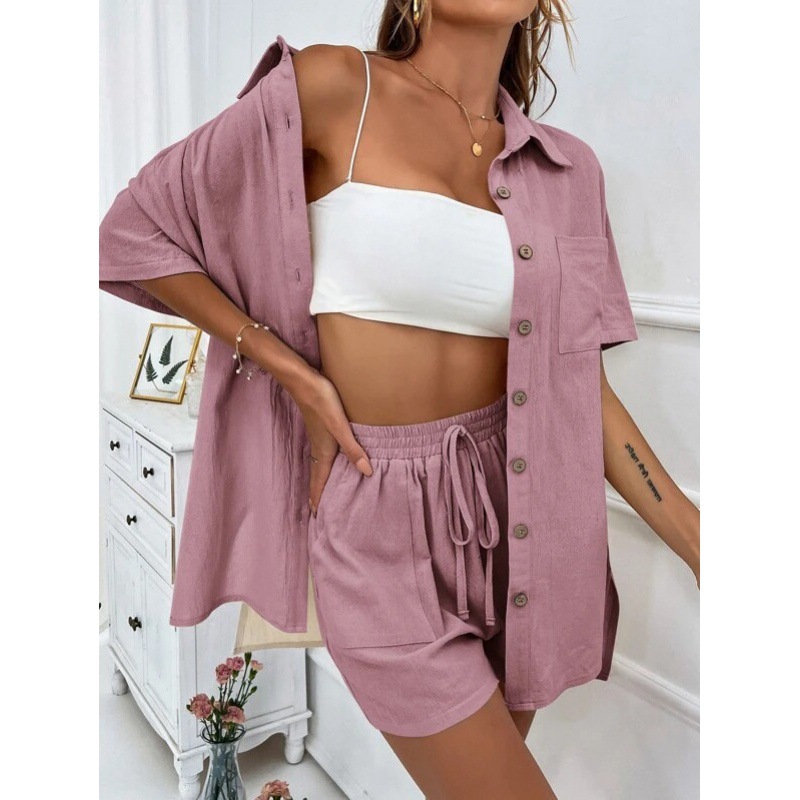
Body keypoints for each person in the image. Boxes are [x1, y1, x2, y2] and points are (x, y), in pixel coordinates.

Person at [99, 2, 700, 797]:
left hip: (525, 521)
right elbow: (131, 233)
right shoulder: (334, 88)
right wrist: (290, 371)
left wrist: (698, 539)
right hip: (376, 526)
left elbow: (580, 389)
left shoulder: (567, 171)